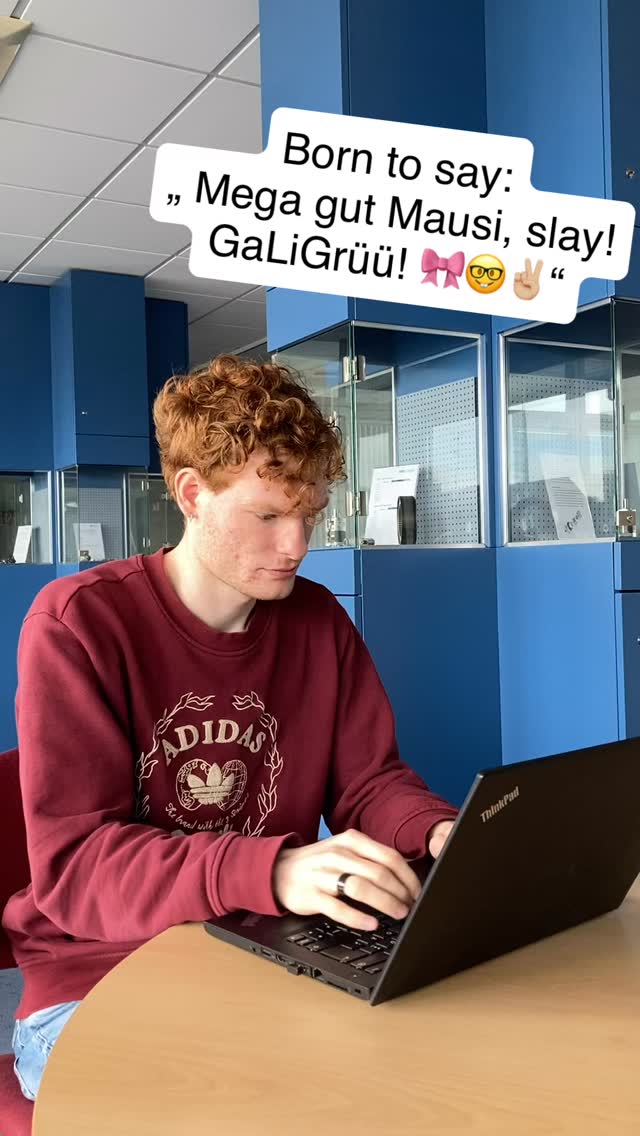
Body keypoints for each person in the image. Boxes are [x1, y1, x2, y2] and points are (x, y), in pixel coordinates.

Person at [3, 355, 458, 1100]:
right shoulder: (78, 623)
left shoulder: (317, 621)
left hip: (264, 950)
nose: (297, 545)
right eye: (269, 516)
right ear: (192, 494)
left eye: (310, 514)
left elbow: (370, 782)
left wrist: (440, 833)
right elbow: (77, 867)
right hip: (98, 979)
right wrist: (272, 870)